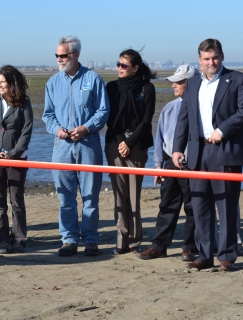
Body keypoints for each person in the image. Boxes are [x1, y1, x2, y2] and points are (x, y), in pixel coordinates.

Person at [172, 39, 243, 271]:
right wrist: (177, 148)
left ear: (222, 56)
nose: (212, 62)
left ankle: (227, 256)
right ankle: (204, 255)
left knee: (226, 204)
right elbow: (184, 118)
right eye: (207, 59)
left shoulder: (239, 79)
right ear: (199, 60)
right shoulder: (191, 84)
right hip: (197, 153)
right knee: (200, 205)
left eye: (215, 58)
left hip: (226, 150)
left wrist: (222, 130)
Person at [42, 36, 110, 256]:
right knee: (65, 197)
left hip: (88, 145)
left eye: (63, 55)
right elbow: (48, 114)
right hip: (61, 147)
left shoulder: (93, 78)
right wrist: (57, 130)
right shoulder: (52, 83)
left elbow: (103, 110)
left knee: (90, 196)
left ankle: (90, 239)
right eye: (57, 56)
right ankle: (69, 240)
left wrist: (86, 128)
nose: (59, 59)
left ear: (75, 55)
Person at [137, 64, 198, 261]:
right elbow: (160, 139)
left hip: (192, 163)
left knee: (192, 207)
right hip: (171, 163)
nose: (173, 86)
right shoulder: (169, 109)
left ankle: (189, 247)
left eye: (179, 82)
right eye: (173, 82)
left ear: (191, 83)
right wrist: (157, 166)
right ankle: (159, 245)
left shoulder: (201, 106)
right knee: (167, 206)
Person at [105, 49, 156, 254]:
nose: (119, 68)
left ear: (135, 67)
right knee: (119, 194)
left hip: (137, 145)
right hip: (114, 144)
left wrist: (130, 142)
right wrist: (120, 142)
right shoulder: (112, 87)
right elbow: (110, 119)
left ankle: (135, 241)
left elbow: (146, 120)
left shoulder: (147, 88)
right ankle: (121, 239)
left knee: (134, 194)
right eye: (118, 64)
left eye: (124, 65)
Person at [0, 65, 33, 254]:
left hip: (17, 158)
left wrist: (12, 153)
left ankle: (19, 238)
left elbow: (26, 132)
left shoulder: (23, 103)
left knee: (16, 199)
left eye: (3, 81)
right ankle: (1, 239)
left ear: (12, 83)